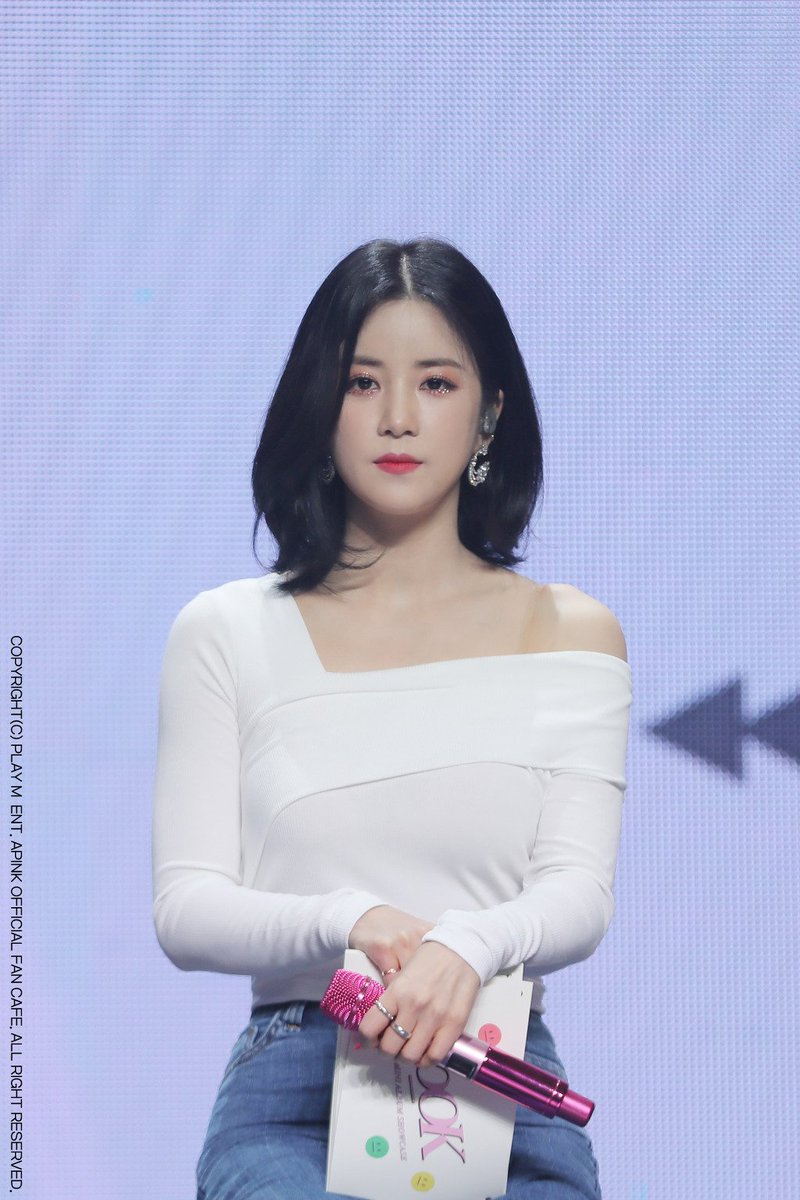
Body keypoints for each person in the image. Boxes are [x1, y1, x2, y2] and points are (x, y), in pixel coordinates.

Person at [151, 237, 632, 1199]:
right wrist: (351, 919)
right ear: (319, 404)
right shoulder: (227, 631)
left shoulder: (571, 631)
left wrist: (468, 946)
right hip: (297, 1086)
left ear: (490, 413)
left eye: (437, 383)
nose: (398, 417)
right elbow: (186, 910)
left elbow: (578, 894)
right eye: (362, 382)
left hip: (498, 1077)